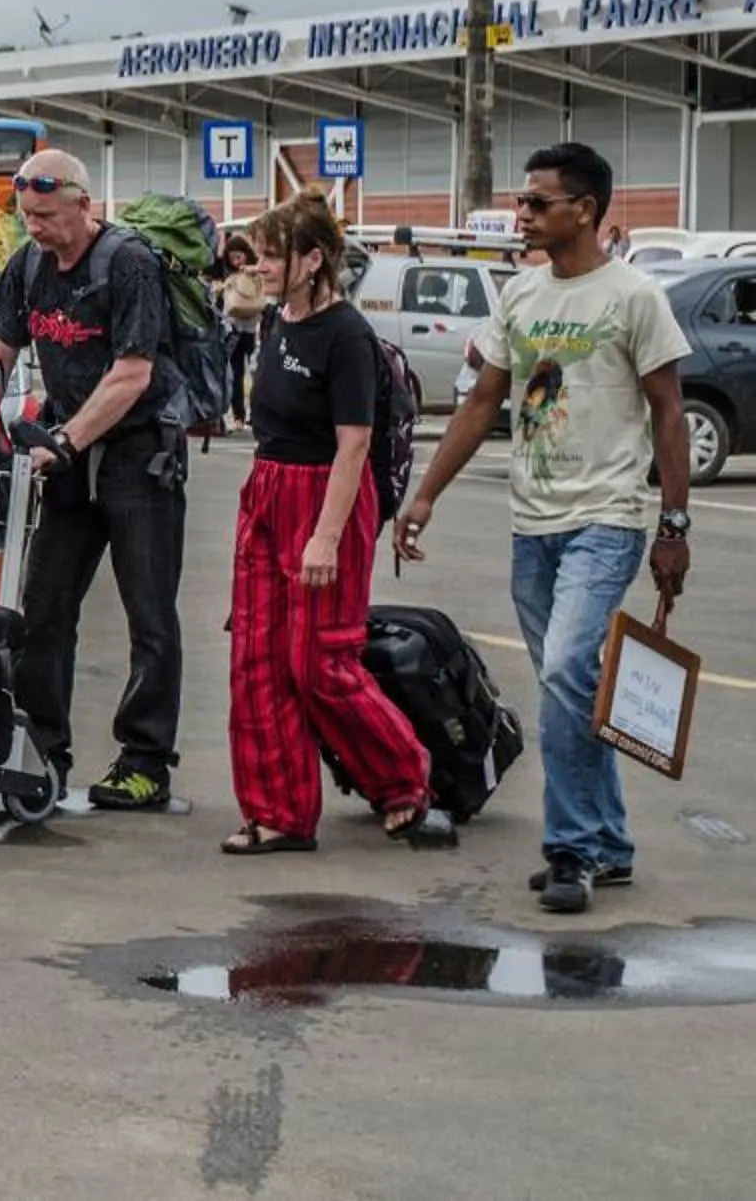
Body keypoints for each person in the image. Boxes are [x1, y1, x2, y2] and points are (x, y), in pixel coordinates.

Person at [399, 142, 692, 915]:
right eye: (523, 201)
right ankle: (611, 842)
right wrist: (424, 496)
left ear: (584, 210)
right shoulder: (521, 296)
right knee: (571, 688)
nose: (521, 214)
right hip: (534, 523)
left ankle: (571, 851)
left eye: (537, 202)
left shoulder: (634, 297)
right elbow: (479, 401)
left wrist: (675, 522)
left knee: (566, 670)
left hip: (610, 518)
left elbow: (669, 411)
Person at [224, 195, 453, 855]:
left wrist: (325, 535)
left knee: (319, 661)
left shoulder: (347, 335)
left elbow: (354, 446)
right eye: (258, 254)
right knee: (258, 658)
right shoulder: (279, 320)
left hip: (327, 497)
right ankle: (280, 815)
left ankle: (406, 785)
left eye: (272, 255)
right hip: (268, 490)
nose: (260, 266)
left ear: (313, 259)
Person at [0, 148, 188, 812]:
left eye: (46, 215)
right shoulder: (29, 266)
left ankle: (145, 760)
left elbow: (133, 373)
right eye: (27, 216)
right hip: (66, 455)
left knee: (149, 616)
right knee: (44, 609)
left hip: (137, 457)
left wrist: (66, 440)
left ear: (82, 204)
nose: (35, 228)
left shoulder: (126, 263)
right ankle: (44, 751)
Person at [217, 232, 268, 425]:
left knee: (259, 373)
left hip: (254, 329)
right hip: (234, 329)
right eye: (232, 257)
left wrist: (249, 269)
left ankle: (257, 414)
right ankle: (238, 415)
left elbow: (264, 270)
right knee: (236, 374)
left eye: (240, 255)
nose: (237, 261)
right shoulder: (227, 274)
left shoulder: (255, 271)